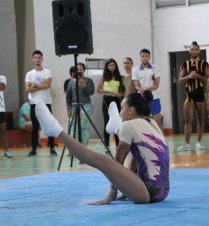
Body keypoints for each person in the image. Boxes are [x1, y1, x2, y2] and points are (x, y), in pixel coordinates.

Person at [34, 90, 170, 205]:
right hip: (163, 191)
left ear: (131, 110)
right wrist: (127, 185)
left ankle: (56, 130)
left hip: (147, 193)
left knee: (102, 161)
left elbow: (116, 165)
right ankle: (115, 125)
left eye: (122, 108)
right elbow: (137, 156)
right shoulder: (152, 122)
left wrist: (112, 192)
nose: (121, 111)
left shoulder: (128, 126)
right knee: (134, 149)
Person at [177, 41, 209, 151]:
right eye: (192, 49)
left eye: (196, 49)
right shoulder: (185, 64)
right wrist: (189, 77)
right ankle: (186, 144)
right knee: (188, 119)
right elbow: (180, 80)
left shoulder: (204, 64)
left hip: (200, 92)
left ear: (199, 51)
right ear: (189, 50)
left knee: (200, 119)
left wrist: (198, 76)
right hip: (189, 94)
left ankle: (199, 142)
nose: (194, 51)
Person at [25, 50, 57, 157]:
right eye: (36, 57)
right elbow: (27, 89)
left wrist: (35, 85)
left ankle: (52, 148)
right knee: (35, 127)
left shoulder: (47, 72)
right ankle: (34, 149)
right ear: (33, 59)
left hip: (46, 102)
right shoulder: (29, 74)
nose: (37, 59)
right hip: (34, 103)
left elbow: (47, 85)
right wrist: (40, 85)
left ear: (42, 59)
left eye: (39, 57)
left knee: (49, 125)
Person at [97, 58, 125, 147]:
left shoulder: (119, 77)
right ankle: (107, 145)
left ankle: (118, 144)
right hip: (107, 100)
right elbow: (98, 89)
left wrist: (118, 94)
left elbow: (122, 92)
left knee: (117, 122)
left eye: (113, 65)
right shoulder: (104, 76)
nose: (111, 67)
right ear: (107, 67)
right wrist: (108, 92)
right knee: (107, 122)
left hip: (116, 100)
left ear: (116, 66)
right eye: (109, 65)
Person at [132, 49, 162, 129]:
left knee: (157, 123)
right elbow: (137, 86)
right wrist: (144, 92)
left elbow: (156, 85)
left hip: (154, 98)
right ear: (140, 57)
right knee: (143, 122)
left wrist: (147, 91)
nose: (144, 58)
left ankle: (159, 140)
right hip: (142, 99)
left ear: (149, 57)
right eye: (143, 56)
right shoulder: (135, 70)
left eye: (146, 56)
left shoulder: (155, 68)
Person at [66, 62, 95, 146]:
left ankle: (83, 146)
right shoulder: (71, 82)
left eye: (81, 69)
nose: (79, 71)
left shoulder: (88, 80)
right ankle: (75, 146)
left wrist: (84, 85)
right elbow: (68, 96)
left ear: (84, 70)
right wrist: (68, 108)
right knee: (73, 127)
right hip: (74, 107)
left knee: (84, 127)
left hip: (86, 106)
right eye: (77, 70)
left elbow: (91, 92)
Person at [0, 75, 12, 158]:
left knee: (3, 130)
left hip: (0, 109)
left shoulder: (2, 77)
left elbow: (1, 87)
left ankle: (6, 152)